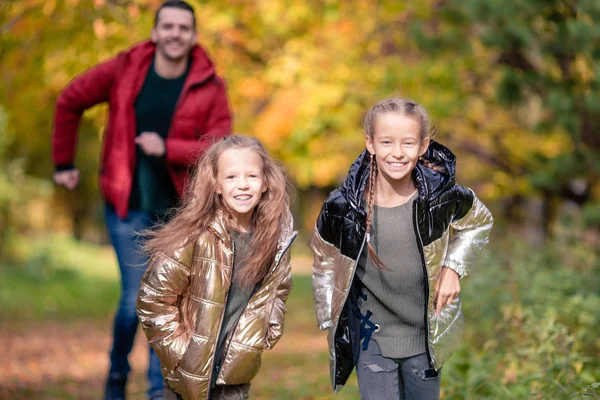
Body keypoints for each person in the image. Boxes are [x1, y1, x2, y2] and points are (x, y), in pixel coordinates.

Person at [50, 1, 232, 398]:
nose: (174, 34)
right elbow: (70, 99)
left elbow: (220, 147)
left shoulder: (209, 84)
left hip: (180, 212)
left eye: (183, 28)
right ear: (154, 32)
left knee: (165, 301)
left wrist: (167, 146)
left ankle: (156, 390)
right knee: (135, 298)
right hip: (127, 203)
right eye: (167, 26)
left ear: (194, 36)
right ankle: (117, 372)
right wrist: (63, 162)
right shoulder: (126, 68)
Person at [311, 97, 494, 399]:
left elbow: (479, 222)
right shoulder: (344, 207)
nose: (397, 153)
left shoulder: (441, 198)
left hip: (426, 339)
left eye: (408, 143)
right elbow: (323, 257)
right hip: (372, 340)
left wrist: (453, 268)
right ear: (370, 144)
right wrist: (329, 316)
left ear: (423, 146)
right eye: (386, 142)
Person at [136, 135, 296, 400]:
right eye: (231, 177)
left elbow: (280, 287)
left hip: (235, 375)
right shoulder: (195, 236)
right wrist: (183, 356)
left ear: (266, 182)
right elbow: (152, 300)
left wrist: (268, 328)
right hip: (186, 382)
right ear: (217, 185)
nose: (243, 185)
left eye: (252, 176)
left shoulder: (275, 237)